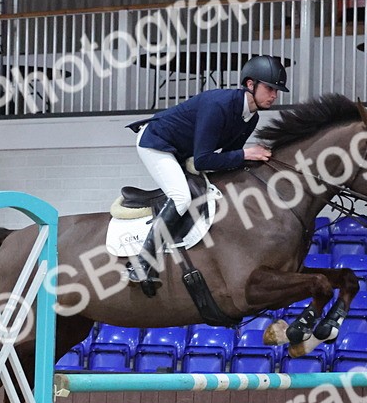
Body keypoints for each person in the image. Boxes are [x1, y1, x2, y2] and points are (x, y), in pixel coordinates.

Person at [123, 55, 289, 293]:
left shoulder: (251, 117)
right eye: (269, 88)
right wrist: (246, 154)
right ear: (250, 84)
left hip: (183, 151)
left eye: (277, 91)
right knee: (181, 198)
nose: (274, 95)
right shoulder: (219, 105)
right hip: (156, 143)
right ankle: (141, 263)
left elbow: (227, 158)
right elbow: (203, 161)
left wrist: (249, 160)